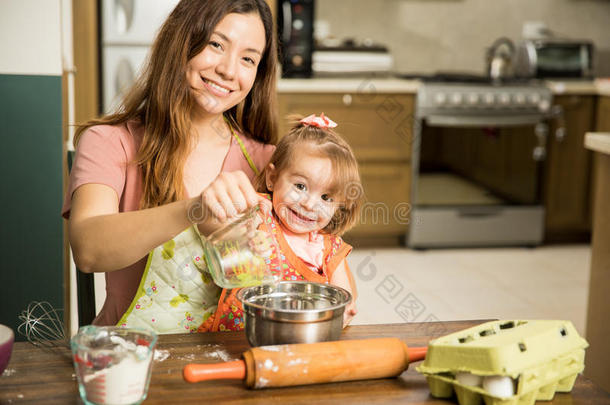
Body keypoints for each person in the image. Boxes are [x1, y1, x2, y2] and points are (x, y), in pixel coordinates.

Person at [63, 0, 278, 328]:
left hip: (232, 355)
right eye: (216, 44)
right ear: (180, 41)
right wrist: (194, 210)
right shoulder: (109, 141)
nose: (229, 70)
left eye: (248, 59)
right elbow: (88, 249)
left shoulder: (267, 162)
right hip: (131, 355)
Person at [198, 113, 364, 332]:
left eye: (326, 198)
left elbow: (343, 297)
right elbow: (215, 226)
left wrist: (343, 314)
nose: (309, 204)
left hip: (298, 339)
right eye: (300, 186)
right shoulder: (260, 211)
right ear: (272, 178)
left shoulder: (330, 249)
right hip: (234, 335)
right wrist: (247, 235)